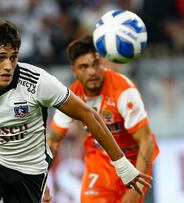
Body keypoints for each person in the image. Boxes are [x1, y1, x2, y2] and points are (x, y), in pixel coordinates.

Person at [0, 20, 151, 203]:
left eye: (13, 58)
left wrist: (123, 167)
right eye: (0, 58)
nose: (8, 66)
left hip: (30, 169)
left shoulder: (37, 82)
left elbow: (89, 115)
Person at [48, 35, 159, 203]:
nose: (92, 71)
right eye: (84, 67)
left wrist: (137, 188)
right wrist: (39, 183)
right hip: (99, 162)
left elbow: (146, 140)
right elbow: (53, 142)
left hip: (133, 162)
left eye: (96, 64)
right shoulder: (71, 96)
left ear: (103, 63)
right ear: (74, 70)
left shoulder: (123, 91)